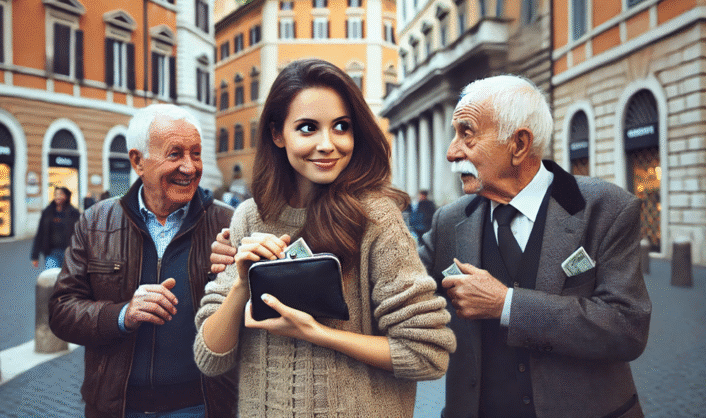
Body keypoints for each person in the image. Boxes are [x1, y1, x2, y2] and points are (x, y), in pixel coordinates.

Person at [193, 58, 456, 416]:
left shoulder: (377, 218)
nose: (328, 144)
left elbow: (427, 354)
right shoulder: (250, 217)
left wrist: (315, 333)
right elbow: (210, 358)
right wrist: (242, 283)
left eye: (341, 127)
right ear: (277, 134)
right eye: (307, 128)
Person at [419, 75, 651, 417]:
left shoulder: (607, 209)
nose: (453, 152)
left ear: (519, 144)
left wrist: (507, 305)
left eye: (466, 133)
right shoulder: (449, 221)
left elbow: (627, 327)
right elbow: (396, 284)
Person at [49, 104, 237, 418]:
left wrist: (241, 276)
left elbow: (259, 316)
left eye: (196, 153)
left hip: (201, 405)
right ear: (138, 161)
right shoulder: (96, 222)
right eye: (175, 154)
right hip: (119, 406)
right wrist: (123, 314)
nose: (190, 167)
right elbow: (61, 311)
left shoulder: (228, 223)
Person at [31, 186, 80, 270]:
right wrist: (35, 256)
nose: (58, 197)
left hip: (69, 253)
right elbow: (40, 233)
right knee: (52, 278)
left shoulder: (74, 213)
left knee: (66, 280)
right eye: (56, 194)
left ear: (67, 196)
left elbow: (80, 234)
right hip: (51, 252)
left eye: (61, 194)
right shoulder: (47, 212)